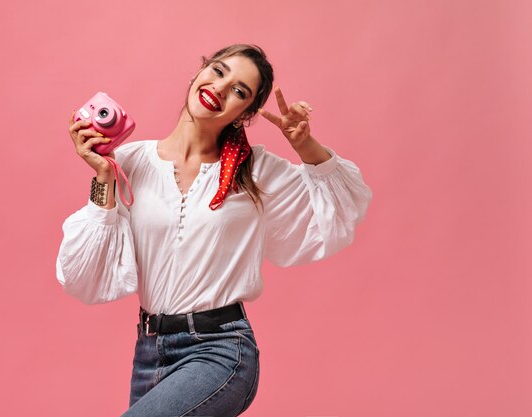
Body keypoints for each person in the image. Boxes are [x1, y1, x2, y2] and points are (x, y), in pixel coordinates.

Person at [56, 43, 373, 417]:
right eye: (219, 71)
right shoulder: (130, 162)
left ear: (245, 114)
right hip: (149, 352)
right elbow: (85, 276)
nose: (221, 88)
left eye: (239, 91)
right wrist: (103, 175)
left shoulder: (255, 170)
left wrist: (304, 145)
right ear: (199, 72)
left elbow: (342, 205)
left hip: (219, 349)